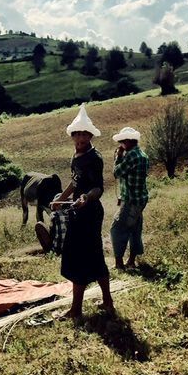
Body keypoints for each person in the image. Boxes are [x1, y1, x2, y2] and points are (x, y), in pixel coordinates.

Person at [50, 106, 116, 320]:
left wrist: (86, 198)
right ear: (72, 136)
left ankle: (76, 310)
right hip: (78, 212)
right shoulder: (76, 156)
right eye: (77, 134)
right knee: (92, 256)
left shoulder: (94, 158)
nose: (80, 137)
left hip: (90, 213)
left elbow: (98, 188)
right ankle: (107, 302)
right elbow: (75, 181)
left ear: (90, 136)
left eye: (84, 134)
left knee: (81, 256)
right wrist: (61, 199)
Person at [110, 126, 149, 271]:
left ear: (127, 141)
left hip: (131, 201)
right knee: (134, 229)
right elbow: (131, 179)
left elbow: (117, 172)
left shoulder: (131, 156)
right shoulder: (142, 155)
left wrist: (118, 157)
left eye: (121, 142)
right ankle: (131, 261)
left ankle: (119, 263)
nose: (120, 145)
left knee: (117, 229)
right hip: (139, 199)